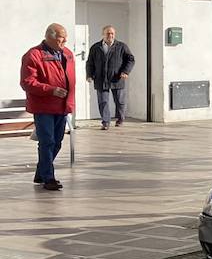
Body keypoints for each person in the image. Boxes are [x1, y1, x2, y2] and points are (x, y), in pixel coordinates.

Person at [20, 23, 77, 191]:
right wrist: (51, 90)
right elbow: (27, 82)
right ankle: (48, 178)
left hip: (62, 106)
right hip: (43, 106)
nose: (65, 40)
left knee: (57, 142)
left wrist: (70, 102)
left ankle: (41, 173)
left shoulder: (67, 54)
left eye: (65, 36)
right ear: (50, 37)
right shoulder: (33, 55)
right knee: (47, 142)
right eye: (61, 36)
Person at [85, 25, 136, 129]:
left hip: (117, 78)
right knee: (103, 101)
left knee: (120, 101)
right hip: (100, 78)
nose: (110, 35)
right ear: (103, 34)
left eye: (112, 33)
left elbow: (130, 59)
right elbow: (90, 62)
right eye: (108, 33)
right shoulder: (95, 47)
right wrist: (89, 75)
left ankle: (120, 119)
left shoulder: (121, 46)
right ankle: (106, 122)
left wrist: (125, 71)